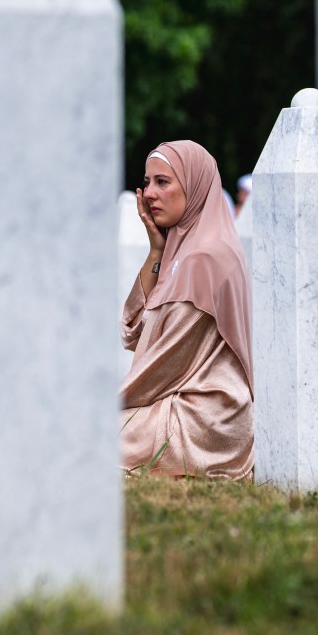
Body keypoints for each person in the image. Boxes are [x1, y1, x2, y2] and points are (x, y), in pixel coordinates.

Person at [119, 140, 254, 479]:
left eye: (162, 182)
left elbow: (161, 365)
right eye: (147, 182)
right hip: (177, 404)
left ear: (193, 187)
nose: (149, 193)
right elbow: (133, 330)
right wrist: (155, 253)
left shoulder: (206, 258)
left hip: (204, 419)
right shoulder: (182, 253)